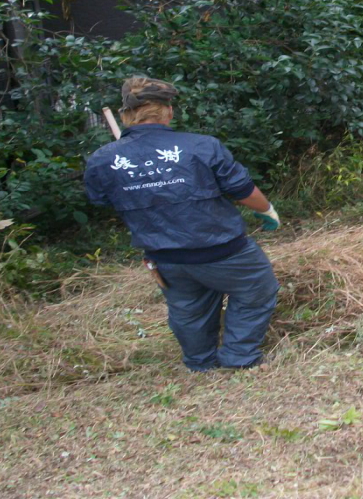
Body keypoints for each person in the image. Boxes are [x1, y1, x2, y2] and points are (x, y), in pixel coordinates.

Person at [83, 77, 282, 372]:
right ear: (168, 111)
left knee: (188, 308)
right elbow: (242, 191)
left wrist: (135, 180)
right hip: (223, 250)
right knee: (257, 288)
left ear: (126, 114)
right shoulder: (201, 146)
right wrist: (267, 210)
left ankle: (200, 362)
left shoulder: (103, 159)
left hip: (164, 256)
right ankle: (238, 356)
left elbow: (101, 199)